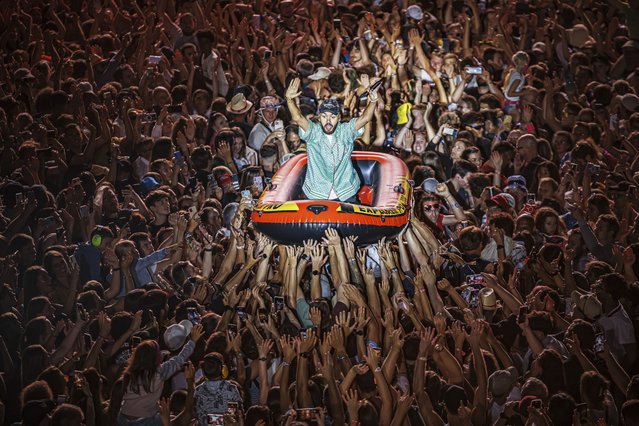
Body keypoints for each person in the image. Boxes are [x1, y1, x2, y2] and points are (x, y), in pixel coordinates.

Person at [284, 77, 380, 202]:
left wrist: (373, 101)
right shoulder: (314, 132)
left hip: (345, 191)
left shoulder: (346, 131)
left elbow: (365, 118)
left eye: (332, 116)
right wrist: (289, 100)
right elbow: (297, 118)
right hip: (316, 192)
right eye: (324, 116)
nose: (328, 121)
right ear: (319, 118)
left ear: (339, 118)